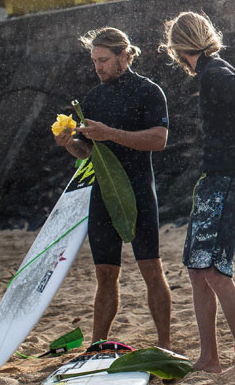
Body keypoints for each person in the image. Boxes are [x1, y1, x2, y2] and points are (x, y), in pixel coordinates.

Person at [160, 11, 235, 377]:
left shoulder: (216, 74)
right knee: (198, 271)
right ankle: (209, 358)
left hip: (228, 182)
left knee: (215, 272)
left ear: (177, 47)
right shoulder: (214, 72)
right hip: (214, 180)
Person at [53, 28, 172, 349]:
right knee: (105, 274)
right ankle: (97, 343)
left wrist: (111, 133)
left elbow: (158, 140)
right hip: (103, 194)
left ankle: (164, 342)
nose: (98, 67)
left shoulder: (149, 92)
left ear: (124, 56)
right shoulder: (93, 98)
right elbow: (89, 151)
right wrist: (69, 144)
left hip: (138, 190)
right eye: (94, 61)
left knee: (151, 269)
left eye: (104, 60)